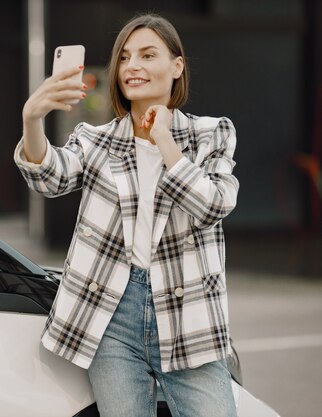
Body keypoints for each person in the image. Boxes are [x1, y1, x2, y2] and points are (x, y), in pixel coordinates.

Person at [14, 13, 239, 417]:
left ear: (177, 66)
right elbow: (48, 178)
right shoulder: (95, 139)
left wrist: (164, 140)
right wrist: (32, 119)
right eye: (125, 57)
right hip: (111, 315)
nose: (132, 66)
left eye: (147, 55)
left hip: (188, 313)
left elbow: (213, 206)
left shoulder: (211, 133)